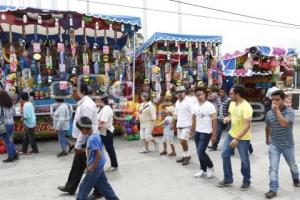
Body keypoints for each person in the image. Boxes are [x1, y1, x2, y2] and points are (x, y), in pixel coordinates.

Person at [57, 83, 103, 199]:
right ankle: (70, 186)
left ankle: (98, 190)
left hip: (86, 140)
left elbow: (85, 127)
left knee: (93, 166)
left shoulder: (86, 105)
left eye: (73, 91)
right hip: (83, 139)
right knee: (77, 165)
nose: (72, 93)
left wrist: (78, 144)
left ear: (80, 92)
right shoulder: (83, 103)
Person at [264, 90, 300, 199]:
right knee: (273, 167)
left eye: (277, 100)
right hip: (274, 144)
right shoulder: (269, 113)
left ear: (283, 100)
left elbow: (284, 123)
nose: (274, 102)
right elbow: (267, 126)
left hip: (288, 145)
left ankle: (295, 177)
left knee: (292, 165)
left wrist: (277, 111)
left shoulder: (290, 112)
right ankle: (273, 189)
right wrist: (267, 139)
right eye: (272, 100)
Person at [218, 85, 253, 191]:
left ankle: (246, 181)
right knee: (224, 154)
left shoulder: (246, 107)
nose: (229, 96)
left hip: (243, 138)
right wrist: (228, 118)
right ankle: (228, 178)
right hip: (231, 133)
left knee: (244, 160)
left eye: (231, 94)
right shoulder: (232, 103)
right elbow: (231, 114)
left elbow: (247, 125)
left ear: (237, 94)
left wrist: (237, 139)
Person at [76, 116, 119, 200]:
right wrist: (83, 150)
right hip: (98, 166)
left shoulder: (92, 138)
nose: (81, 132)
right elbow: (94, 149)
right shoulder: (96, 134)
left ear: (85, 129)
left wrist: (92, 167)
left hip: (94, 167)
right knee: (105, 187)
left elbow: (98, 155)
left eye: (81, 130)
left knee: (83, 188)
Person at [191, 87, 217, 178]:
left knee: (201, 151)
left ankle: (210, 166)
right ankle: (203, 169)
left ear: (205, 95)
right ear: (195, 96)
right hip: (198, 131)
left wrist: (214, 134)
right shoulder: (194, 106)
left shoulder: (209, 105)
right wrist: (192, 131)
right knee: (199, 152)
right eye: (198, 95)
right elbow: (194, 119)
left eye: (202, 94)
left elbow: (214, 120)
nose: (200, 97)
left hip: (206, 132)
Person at [96, 96, 119, 172]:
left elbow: (102, 122)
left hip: (107, 131)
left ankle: (114, 164)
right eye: (95, 99)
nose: (96, 101)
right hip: (100, 132)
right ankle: (97, 165)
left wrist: (93, 130)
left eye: (97, 99)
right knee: (98, 149)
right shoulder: (99, 108)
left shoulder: (106, 109)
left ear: (102, 100)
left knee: (109, 149)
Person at [174, 85, 194, 165]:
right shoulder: (177, 102)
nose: (179, 94)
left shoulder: (189, 101)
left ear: (184, 92)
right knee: (182, 142)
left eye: (181, 92)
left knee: (183, 140)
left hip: (187, 125)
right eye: (178, 92)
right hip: (179, 124)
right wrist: (172, 123)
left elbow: (193, 114)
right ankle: (185, 155)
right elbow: (175, 114)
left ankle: (187, 156)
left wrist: (193, 128)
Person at [208, 87, 230, 151]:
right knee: (217, 132)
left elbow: (230, 110)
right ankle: (214, 146)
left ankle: (233, 146)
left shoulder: (229, 100)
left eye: (222, 92)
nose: (221, 93)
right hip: (219, 119)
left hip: (227, 119)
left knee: (230, 133)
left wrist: (228, 118)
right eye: (220, 92)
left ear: (225, 92)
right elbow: (217, 108)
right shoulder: (218, 99)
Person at [0, 90, 18, 162]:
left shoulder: (1, 107)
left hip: (4, 125)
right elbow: (14, 114)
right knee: (9, 141)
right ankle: (14, 154)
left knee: (7, 142)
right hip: (11, 123)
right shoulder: (11, 105)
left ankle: (11, 157)